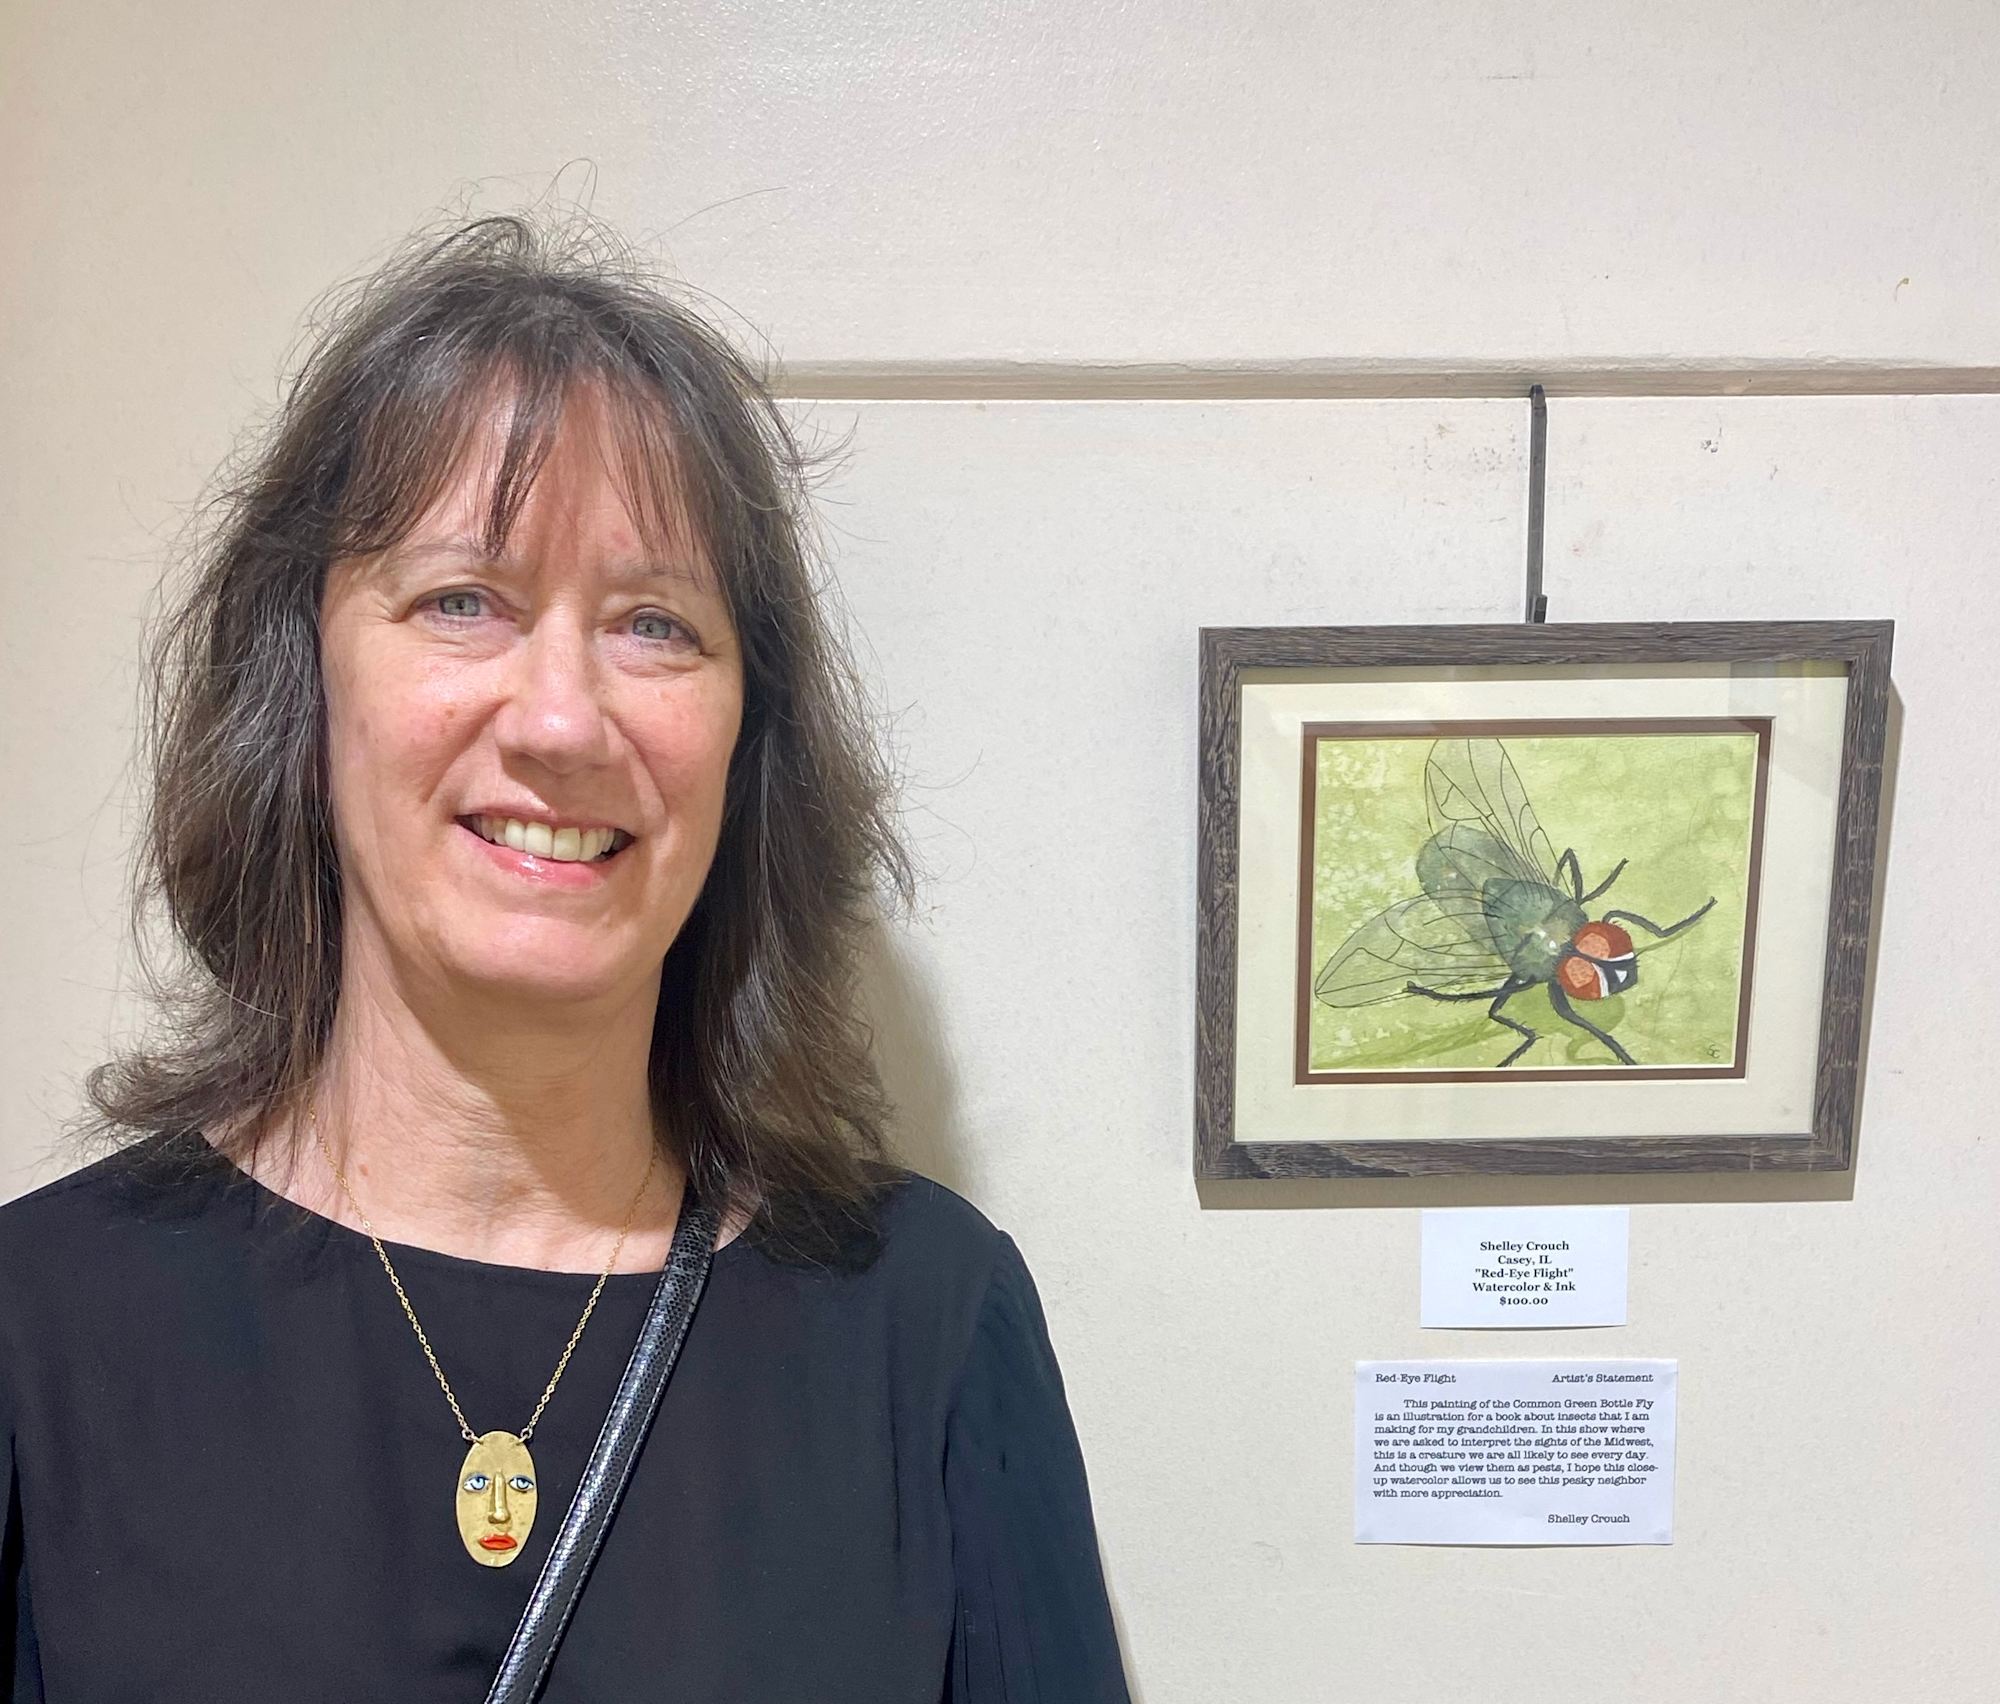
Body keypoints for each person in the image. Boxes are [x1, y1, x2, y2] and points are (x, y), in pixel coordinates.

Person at [0, 210, 1132, 1702]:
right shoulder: (40, 1327)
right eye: (461, 600)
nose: (559, 719)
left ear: (745, 743)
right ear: (305, 686)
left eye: (655, 625)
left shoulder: (926, 1326)